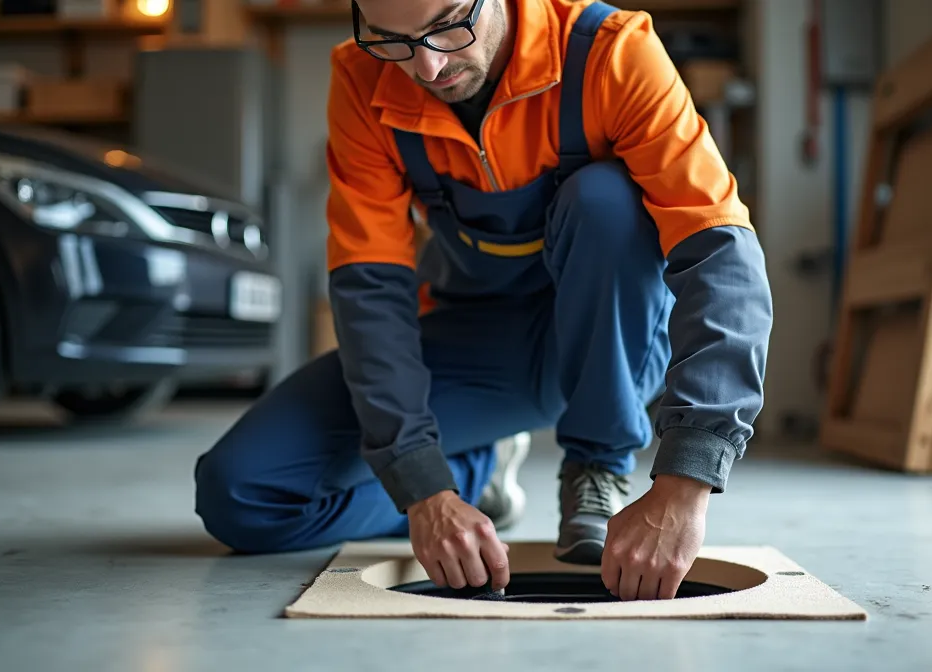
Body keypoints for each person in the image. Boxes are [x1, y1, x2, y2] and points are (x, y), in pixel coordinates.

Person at [193, 0, 772, 602]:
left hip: (612, 346)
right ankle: (476, 472)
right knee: (243, 495)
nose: (427, 67)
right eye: (392, 38)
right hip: (478, 343)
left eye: (447, 26)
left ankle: (597, 464)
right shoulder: (365, 78)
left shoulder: (611, 53)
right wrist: (425, 487)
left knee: (604, 200)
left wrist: (687, 479)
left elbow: (721, 258)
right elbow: (371, 289)